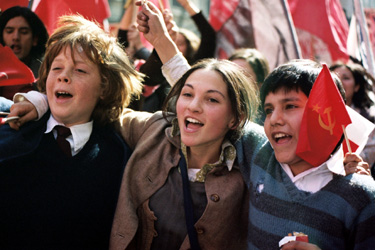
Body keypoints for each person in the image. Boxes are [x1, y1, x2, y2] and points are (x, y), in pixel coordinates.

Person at [0, 14, 143, 249]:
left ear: (105, 87)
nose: (63, 76)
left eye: (80, 70)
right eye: (56, 67)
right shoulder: (11, 131)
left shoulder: (120, 156)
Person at [239, 59, 375, 250]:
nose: (274, 119)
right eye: (269, 109)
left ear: (326, 115)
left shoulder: (362, 197)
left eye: (290, 106)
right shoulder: (259, 151)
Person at [330, 62, 375, 175]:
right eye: (334, 77)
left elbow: (369, 157)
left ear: (356, 86)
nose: (339, 81)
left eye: (346, 78)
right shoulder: (318, 116)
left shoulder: (368, 118)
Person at [0, 6, 48, 100]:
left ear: (35, 39)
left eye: (24, 32)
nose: (16, 37)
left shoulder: (47, 71)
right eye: (9, 31)